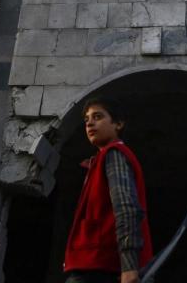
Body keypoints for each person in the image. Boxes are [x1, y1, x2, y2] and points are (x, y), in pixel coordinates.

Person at [64, 97, 153, 283]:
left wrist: (129, 267)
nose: (89, 123)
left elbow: (126, 208)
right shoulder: (99, 160)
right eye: (87, 119)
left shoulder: (114, 154)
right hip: (92, 266)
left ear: (118, 124)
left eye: (97, 117)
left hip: (100, 268)